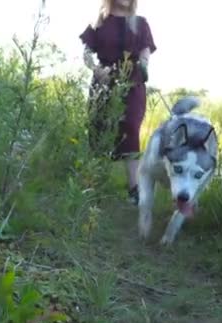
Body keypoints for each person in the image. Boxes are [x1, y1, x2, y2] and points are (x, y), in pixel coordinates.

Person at [79, 0, 156, 205]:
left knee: (130, 126)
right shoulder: (99, 22)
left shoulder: (140, 23)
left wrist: (143, 64)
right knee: (98, 128)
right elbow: (86, 53)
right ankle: (93, 184)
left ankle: (134, 188)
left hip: (132, 83)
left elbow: (146, 50)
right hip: (103, 82)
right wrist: (96, 70)